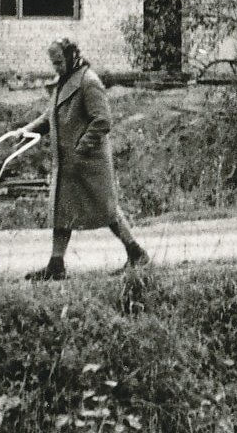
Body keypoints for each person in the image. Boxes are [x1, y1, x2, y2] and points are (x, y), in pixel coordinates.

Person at [20, 38, 150, 280]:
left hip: (88, 163)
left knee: (107, 210)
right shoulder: (65, 81)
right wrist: (27, 130)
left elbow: (102, 120)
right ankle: (56, 264)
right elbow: (51, 115)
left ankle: (136, 253)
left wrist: (81, 147)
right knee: (63, 210)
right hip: (69, 163)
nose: (56, 67)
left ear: (70, 57)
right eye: (53, 63)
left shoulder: (89, 82)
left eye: (59, 62)